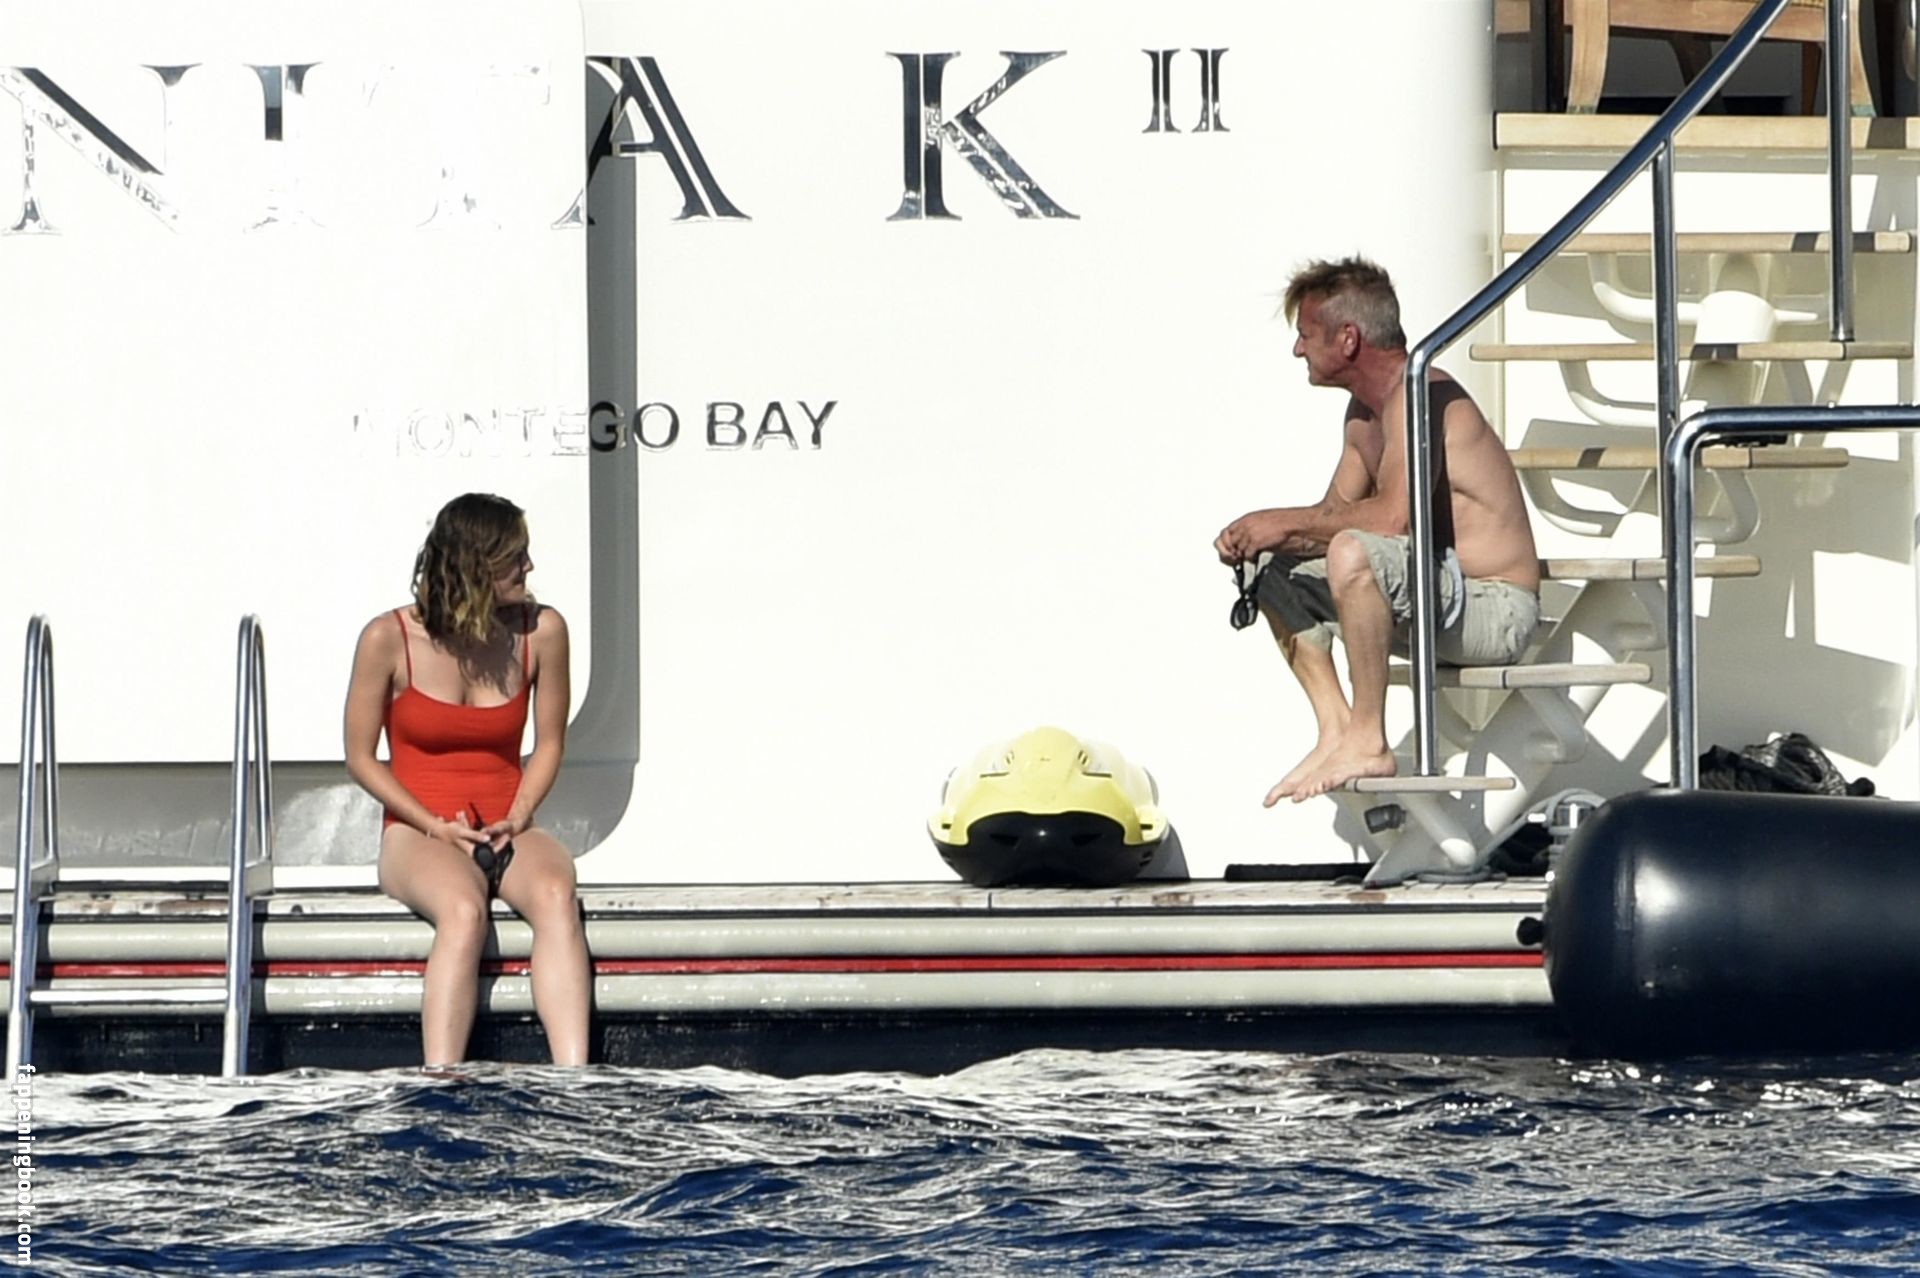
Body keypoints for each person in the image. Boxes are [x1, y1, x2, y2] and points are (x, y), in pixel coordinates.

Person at [1214, 257, 1541, 805]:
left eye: (1306, 334)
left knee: (1352, 552)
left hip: (1494, 608)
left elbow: (1390, 521)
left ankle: (1370, 738)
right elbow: (1332, 517)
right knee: (1274, 567)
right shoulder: (1363, 414)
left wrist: (1282, 521)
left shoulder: (1423, 396)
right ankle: (1337, 730)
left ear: (1348, 339)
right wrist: (1259, 535)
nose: (1297, 350)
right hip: (1433, 600)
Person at [344, 493, 590, 1067]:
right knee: (463, 910)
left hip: (508, 823)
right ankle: (443, 1079)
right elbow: (360, 757)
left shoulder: (542, 631)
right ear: (475, 567)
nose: (529, 567)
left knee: (557, 894)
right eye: (515, 558)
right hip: (418, 831)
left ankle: (574, 1078)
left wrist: (520, 816)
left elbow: (549, 743)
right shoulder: (387, 638)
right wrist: (434, 825)